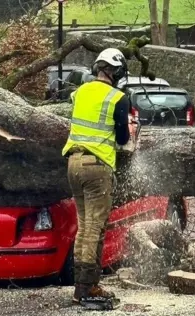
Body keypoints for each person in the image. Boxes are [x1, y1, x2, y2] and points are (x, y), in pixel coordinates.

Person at [62, 48, 131, 304]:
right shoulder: (117, 98)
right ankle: (86, 288)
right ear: (117, 71)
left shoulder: (79, 92)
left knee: (84, 226)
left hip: (73, 164)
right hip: (97, 166)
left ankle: (85, 285)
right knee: (94, 227)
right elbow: (123, 138)